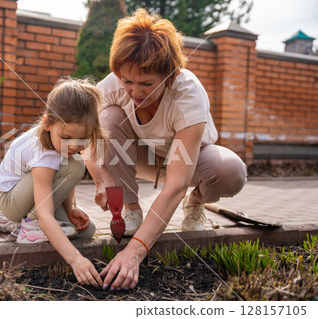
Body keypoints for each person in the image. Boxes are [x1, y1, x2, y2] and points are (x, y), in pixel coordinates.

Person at [83, 9, 247, 290]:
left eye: (147, 83)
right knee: (105, 119)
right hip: (142, 158)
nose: (134, 92)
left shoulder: (188, 94)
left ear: (170, 74)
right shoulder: (112, 85)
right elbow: (85, 137)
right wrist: (101, 179)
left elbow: (175, 183)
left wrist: (135, 252)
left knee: (230, 171)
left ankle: (196, 203)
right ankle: (131, 209)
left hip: (189, 163)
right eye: (127, 81)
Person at [0, 77, 106, 287]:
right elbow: (45, 213)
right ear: (47, 123)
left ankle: (11, 222)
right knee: (75, 164)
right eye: (67, 137)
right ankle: (29, 226)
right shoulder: (44, 154)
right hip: (11, 198)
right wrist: (76, 260)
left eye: (82, 138)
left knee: (86, 230)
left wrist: (71, 207)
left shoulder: (60, 145)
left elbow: (60, 181)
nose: (74, 145)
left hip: (28, 199)